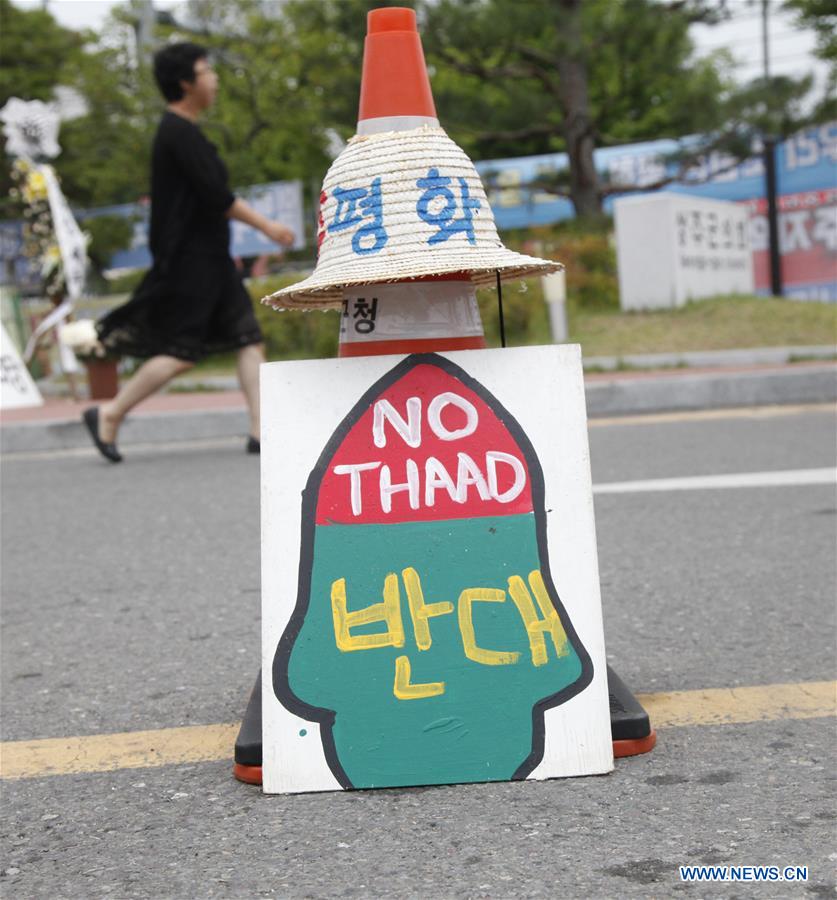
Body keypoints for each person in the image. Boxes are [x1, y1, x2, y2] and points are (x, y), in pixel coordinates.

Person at [83, 42, 293, 463]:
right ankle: (110, 412)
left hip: (211, 256)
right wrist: (268, 226)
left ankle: (259, 430)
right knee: (182, 352)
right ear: (185, 83)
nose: (214, 79)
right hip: (191, 261)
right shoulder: (176, 133)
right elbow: (218, 197)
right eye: (206, 71)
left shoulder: (186, 132)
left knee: (248, 338)